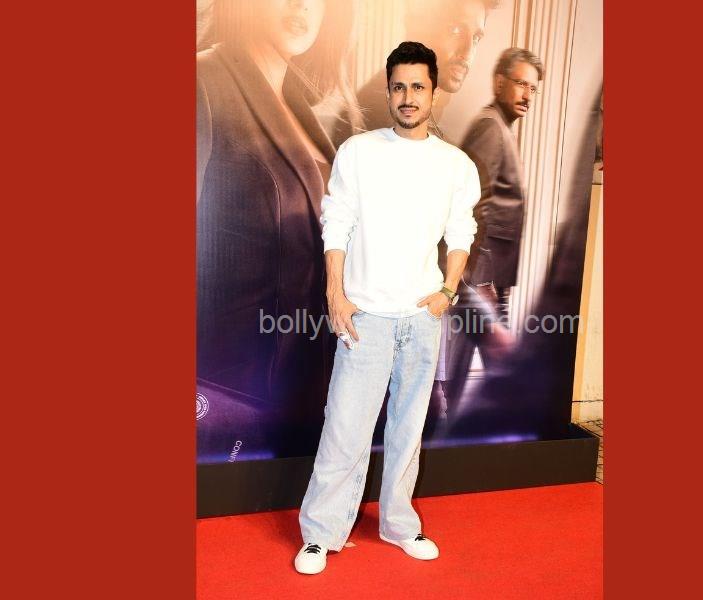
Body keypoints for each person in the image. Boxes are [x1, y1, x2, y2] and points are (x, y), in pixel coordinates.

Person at [294, 41, 481, 575]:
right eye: (399, 86)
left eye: (418, 86)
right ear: (388, 91)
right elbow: (336, 222)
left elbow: (461, 232)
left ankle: (400, 525)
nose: (408, 97)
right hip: (366, 318)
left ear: (433, 92)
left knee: (407, 430)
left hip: (421, 319)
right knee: (344, 429)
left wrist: (447, 293)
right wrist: (336, 293)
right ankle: (320, 535)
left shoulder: (455, 165)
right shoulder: (359, 151)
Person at [195, 0, 361, 460]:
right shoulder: (202, 81)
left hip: (305, 393)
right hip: (231, 398)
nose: (301, 5)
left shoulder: (300, 108)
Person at [435, 47, 544, 416]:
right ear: (499, 82)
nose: (528, 95)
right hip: (476, 282)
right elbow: (469, 209)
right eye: (521, 84)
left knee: (465, 382)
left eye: (533, 88)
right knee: (452, 383)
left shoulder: (501, 128)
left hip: (489, 283)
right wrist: (478, 286)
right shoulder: (490, 128)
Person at [331, 0, 495, 146]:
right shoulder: (388, 109)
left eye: (476, 38)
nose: (467, 53)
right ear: (423, 28)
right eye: (455, 30)